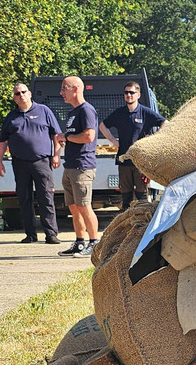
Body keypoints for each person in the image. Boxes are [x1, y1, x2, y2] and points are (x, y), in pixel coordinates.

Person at [0, 81, 62, 244]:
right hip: (20, 163)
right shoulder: (11, 117)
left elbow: (56, 135)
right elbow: (3, 141)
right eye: (17, 94)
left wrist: (56, 155)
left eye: (23, 92)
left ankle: (51, 234)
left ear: (30, 94)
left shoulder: (44, 111)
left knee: (46, 197)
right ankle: (30, 234)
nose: (21, 95)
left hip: (41, 161)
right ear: (14, 98)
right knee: (24, 199)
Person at [99, 80, 165, 209]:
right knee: (126, 197)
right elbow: (102, 125)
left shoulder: (145, 112)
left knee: (141, 196)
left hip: (140, 160)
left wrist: (153, 139)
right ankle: (126, 219)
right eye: (126, 92)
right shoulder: (120, 113)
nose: (129, 95)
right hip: (124, 159)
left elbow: (165, 123)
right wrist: (113, 141)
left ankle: (143, 220)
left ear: (138, 95)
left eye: (131, 92)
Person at [56, 76, 99, 258]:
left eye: (64, 88)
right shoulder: (72, 113)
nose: (61, 92)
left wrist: (66, 137)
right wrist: (65, 138)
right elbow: (75, 136)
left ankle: (94, 243)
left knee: (84, 206)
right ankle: (79, 242)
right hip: (70, 165)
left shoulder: (86, 110)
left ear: (75, 89)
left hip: (82, 166)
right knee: (74, 207)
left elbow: (89, 136)